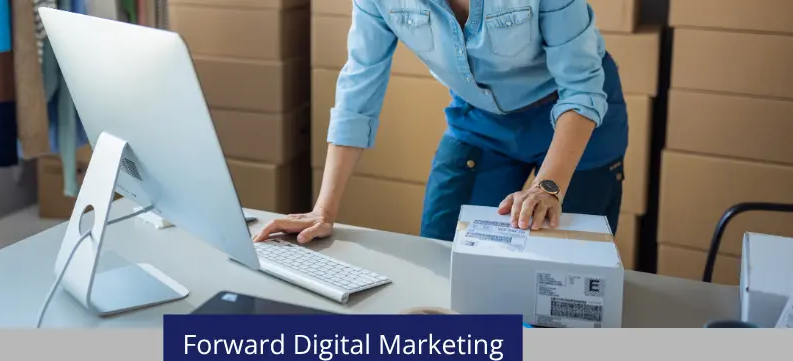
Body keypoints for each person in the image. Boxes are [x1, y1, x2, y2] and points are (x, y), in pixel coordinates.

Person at [255, 0, 628, 245]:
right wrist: (323, 210)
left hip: (577, 119)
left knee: (562, 280)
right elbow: (359, 89)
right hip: (479, 119)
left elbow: (581, 87)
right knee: (441, 249)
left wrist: (548, 187)